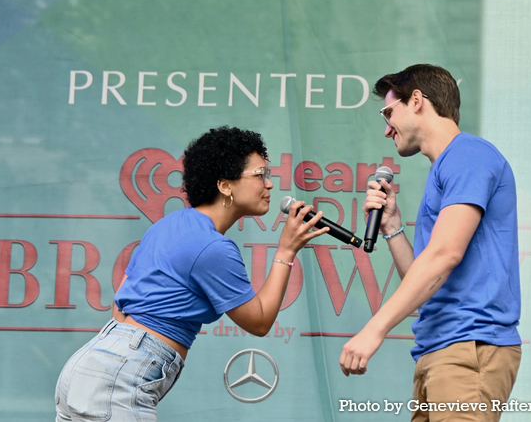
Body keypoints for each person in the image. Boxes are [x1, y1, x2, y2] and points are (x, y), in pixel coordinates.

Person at [55, 126, 328, 421]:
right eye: (260, 175)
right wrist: (286, 251)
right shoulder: (212, 247)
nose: (270, 184)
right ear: (225, 185)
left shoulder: (170, 224)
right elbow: (259, 322)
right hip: (117, 378)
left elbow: (120, 302)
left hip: (90, 362)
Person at [339, 65, 521, 422]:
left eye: (389, 113)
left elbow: (444, 255)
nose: (386, 128)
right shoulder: (447, 168)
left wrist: (374, 329)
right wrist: (392, 226)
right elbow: (427, 281)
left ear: (418, 101)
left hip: (466, 348)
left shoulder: (469, 155)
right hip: (439, 351)